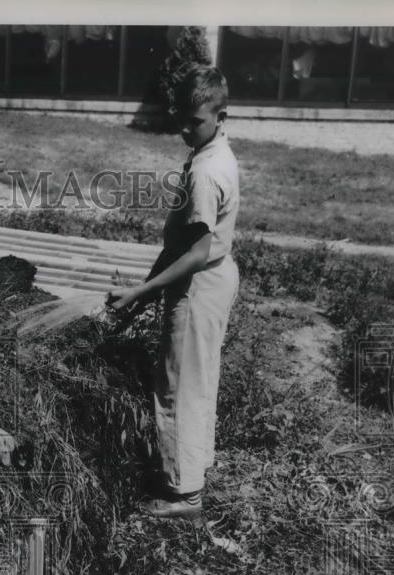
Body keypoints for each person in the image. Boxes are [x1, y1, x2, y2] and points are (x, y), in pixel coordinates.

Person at [104, 66, 240, 520]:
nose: (184, 128)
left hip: (200, 285)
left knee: (177, 387)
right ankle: (193, 473)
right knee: (197, 382)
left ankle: (183, 497)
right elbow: (180, 246)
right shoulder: (215, 152)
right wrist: (141, 296)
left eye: (195, 121)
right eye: (180, 117)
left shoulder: (205, 173)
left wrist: (143, 289)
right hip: (214, 278)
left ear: (221, 115)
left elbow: (195, 254)